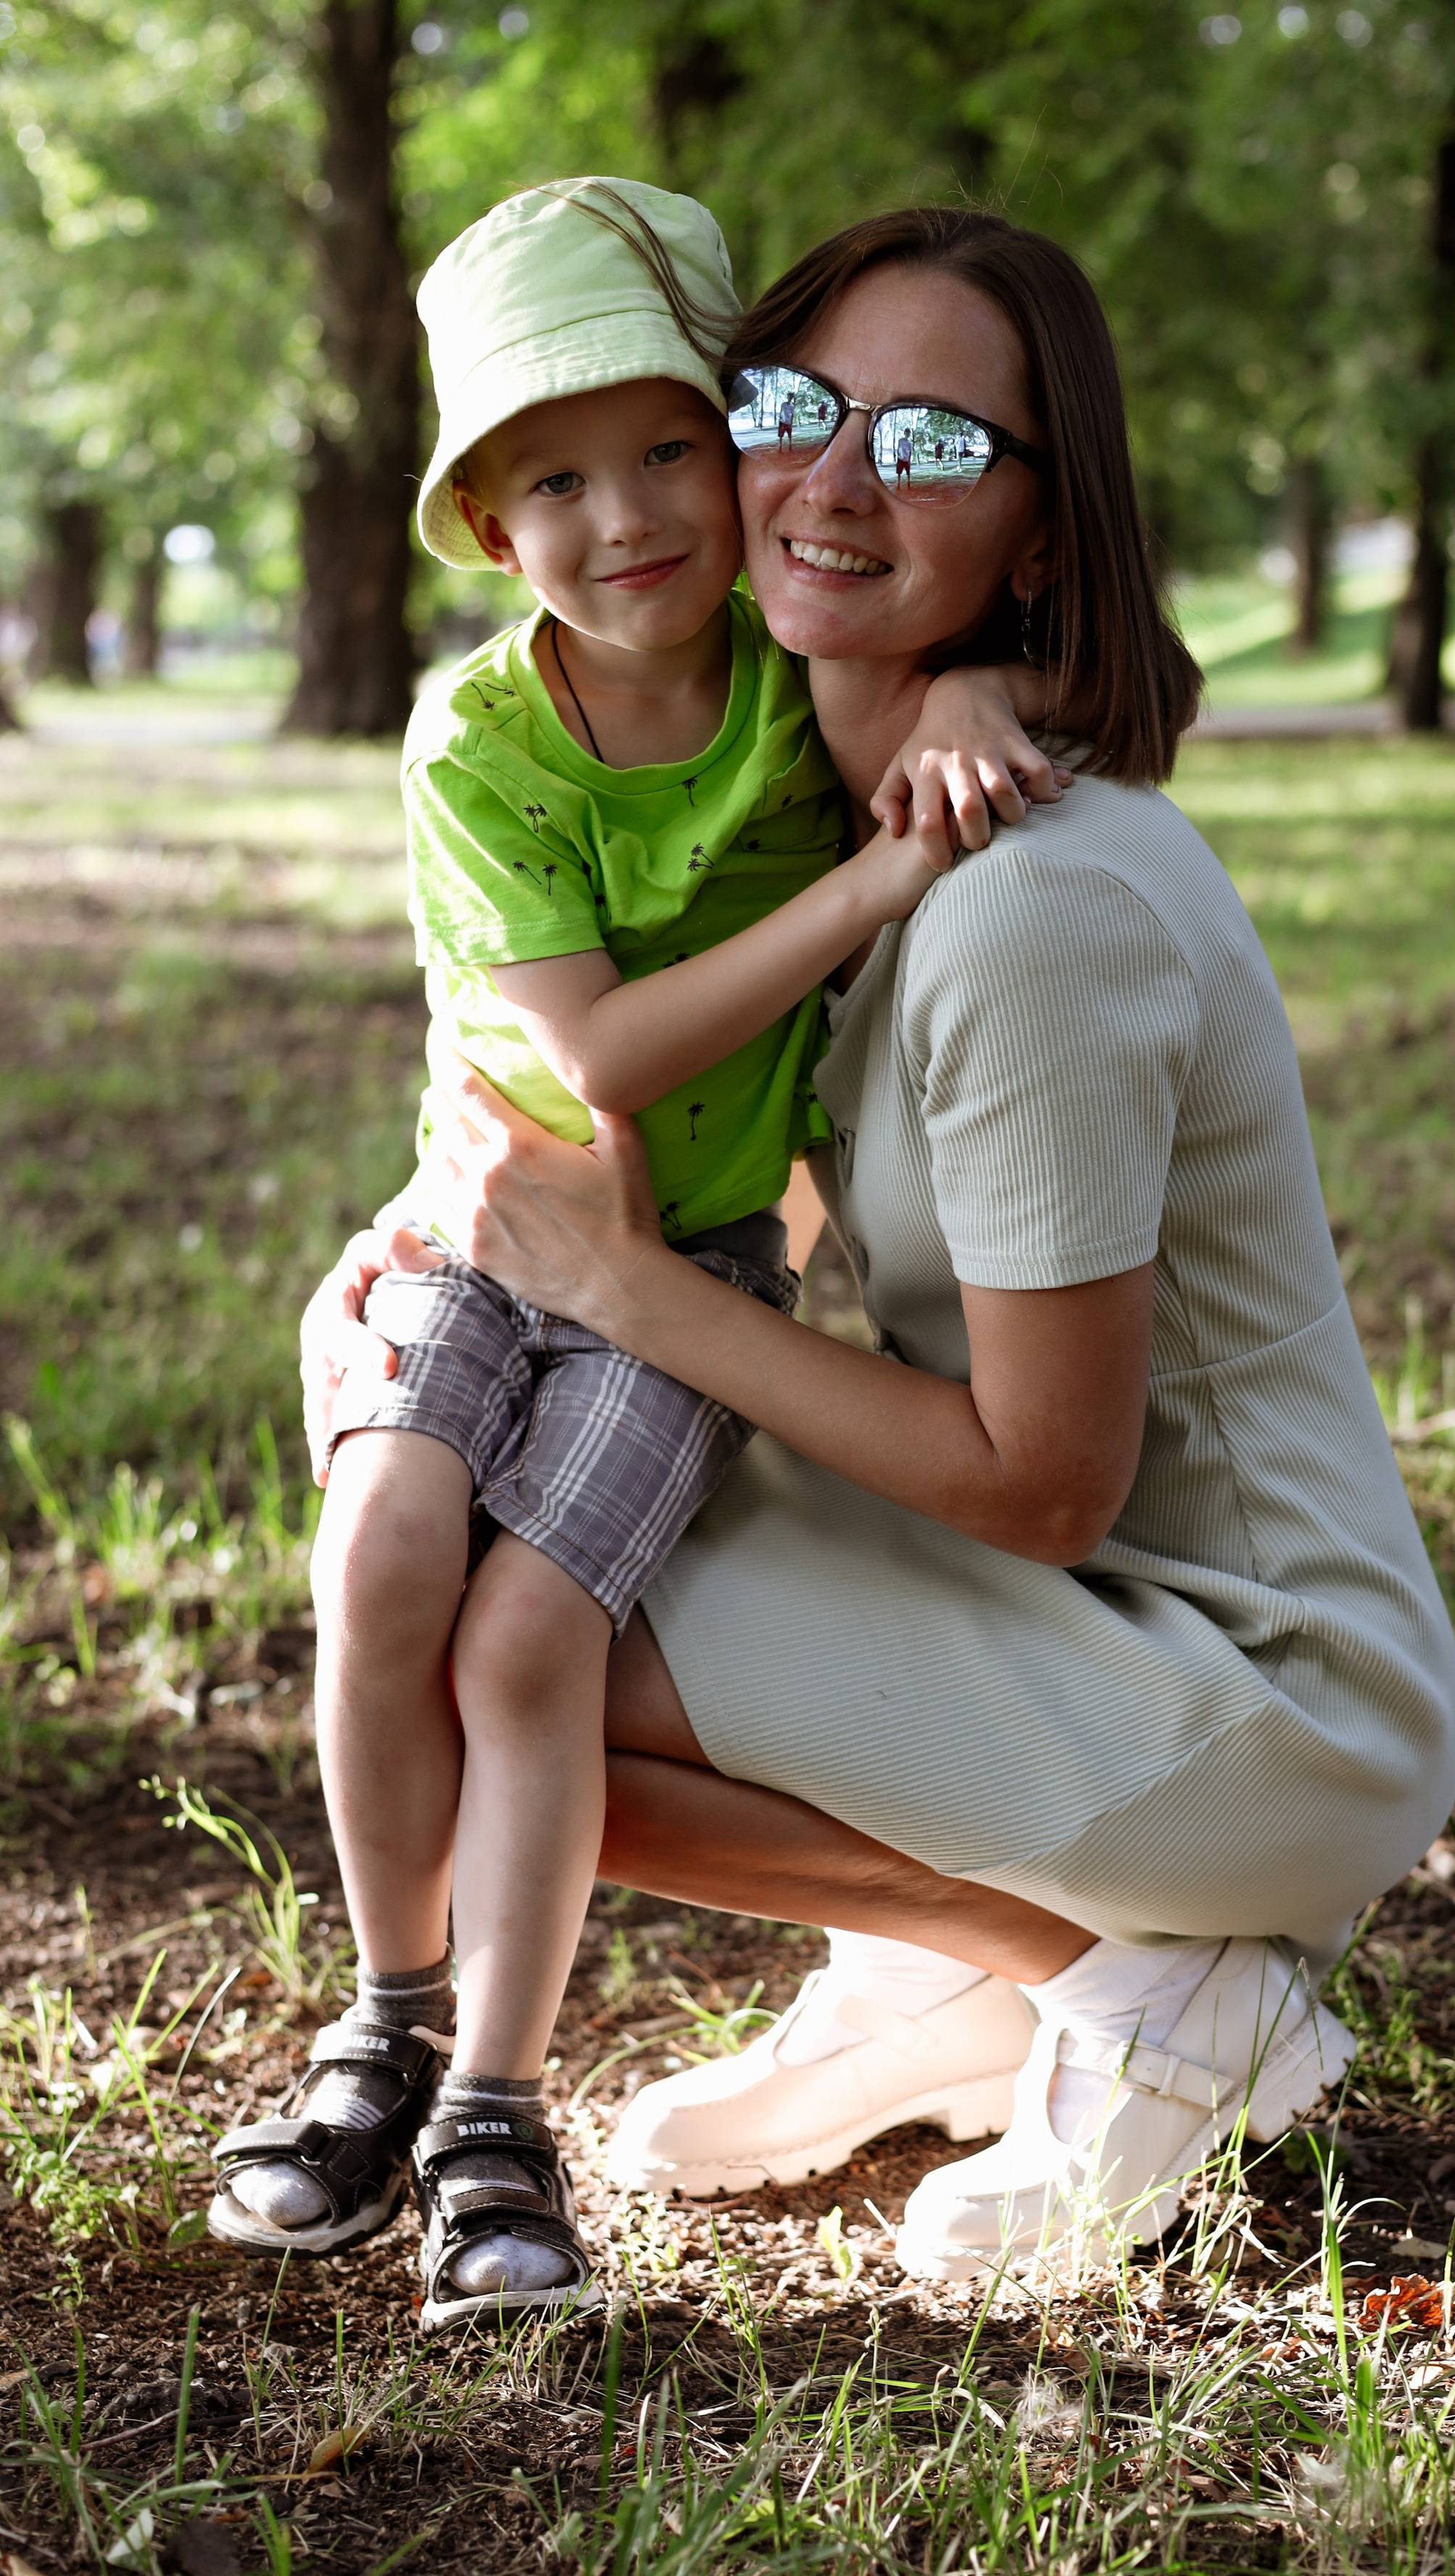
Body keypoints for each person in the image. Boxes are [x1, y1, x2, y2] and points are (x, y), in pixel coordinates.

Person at [307, 204, 1455, 2288]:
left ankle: (1142, 1980)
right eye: (789, 410)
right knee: (456, 1538)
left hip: (1263, 1690)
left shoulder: (1029, 907)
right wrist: (476, 1228)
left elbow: (1043, 1484)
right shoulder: (853, 829)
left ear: (1040, 533)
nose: (832, 480)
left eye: (929, 444)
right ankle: (948, 1984)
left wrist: (621, 1286)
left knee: (520, 1654)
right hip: (1108, 1609)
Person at [210, 178, 1060, 2331]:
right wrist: (860, 905)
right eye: (554, 482)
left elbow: (996, 643)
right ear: (493, 533)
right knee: (384, 1543)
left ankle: (502, 2102)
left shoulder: (798, 679)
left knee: (524, 1646)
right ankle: (387, 2022)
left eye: (672, 446)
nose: (629, 518)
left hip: (686, 1277)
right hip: (490, 1227)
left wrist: (983, 695)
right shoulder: (483, 737)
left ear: (740, 444)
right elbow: (588, 1051)